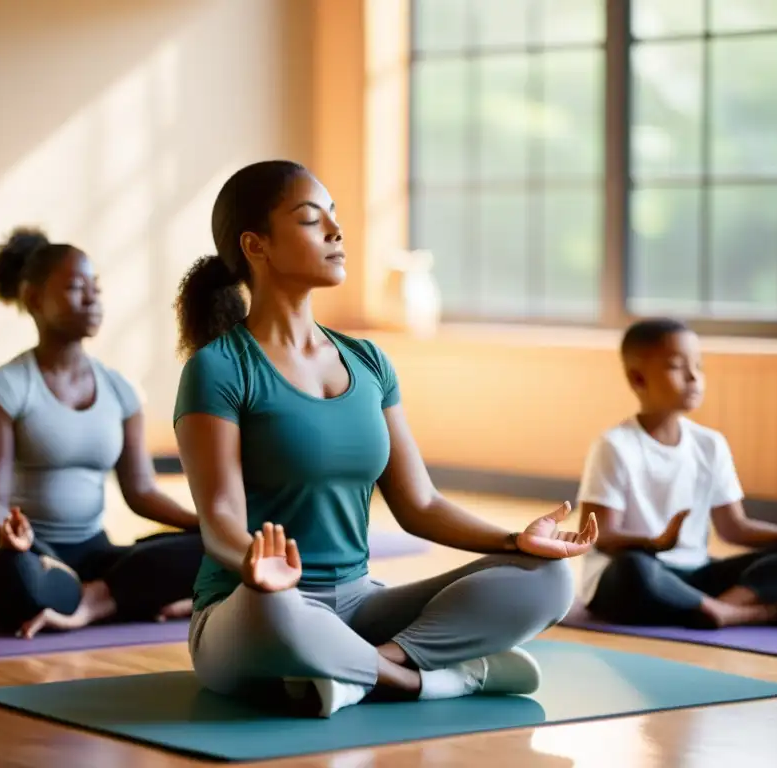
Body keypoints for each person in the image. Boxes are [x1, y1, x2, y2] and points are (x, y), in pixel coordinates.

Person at [171, 160, 597, 718]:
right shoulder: (219, 369)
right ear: (257, 245)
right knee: (277, 613)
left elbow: (420, 504)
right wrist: (256, 566)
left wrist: (516, 541)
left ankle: (362, 670)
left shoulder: (368, 362)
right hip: (255, 609)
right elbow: (221, 520)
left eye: (335, 216)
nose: (335, 230)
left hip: (358, 604)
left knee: (546, 581)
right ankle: (427, 678)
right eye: (309, 219)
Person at [0, 227, 204, 639]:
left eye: (96, 287)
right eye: (77, 288)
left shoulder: (120, 391)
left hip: (94, 554)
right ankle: (111, 598)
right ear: (34, 298)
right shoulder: (3, 389)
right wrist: (3, 530)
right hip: (24, 553)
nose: (93, 299)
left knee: (209, 550)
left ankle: (88, 597)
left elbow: (141, 490)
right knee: (15, 577)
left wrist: (205, 525)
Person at [576, 317, 777, 630]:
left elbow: (734, 528)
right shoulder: (615, 445)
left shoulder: (710, 444)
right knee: (634, 567)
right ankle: (749, 613)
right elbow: (600, 536)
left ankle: (717, 609)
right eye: (676, 366)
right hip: (636, 577)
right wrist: (654, 543)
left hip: (694, 576)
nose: (693, 377)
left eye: (698, 365)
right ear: (637, 379)